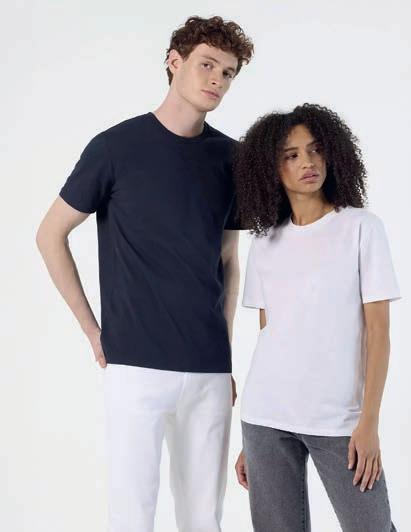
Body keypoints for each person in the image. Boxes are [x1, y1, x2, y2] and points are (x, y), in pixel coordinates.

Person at [36, 16, 253, 532]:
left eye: (227, 73)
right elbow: (50, 234)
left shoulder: (231, 159)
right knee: (131, 516)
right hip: (134, 366)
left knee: (204, 519)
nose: (217, 80)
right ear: (174, 62)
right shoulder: (115, 148)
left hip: (208, 369)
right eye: (207, 65)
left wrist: (224, 355)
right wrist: (92, 330)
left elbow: (228, 261)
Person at [233, 104, 400, 532]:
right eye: (291, 155)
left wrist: (369, 422)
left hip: (340, 421)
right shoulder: (265, 242)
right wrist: (251, 443)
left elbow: (378, 333)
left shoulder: (361, 228)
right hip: (266, 417)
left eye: (315, 149)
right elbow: (269, 333)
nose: (307, 162)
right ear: (271, 169)